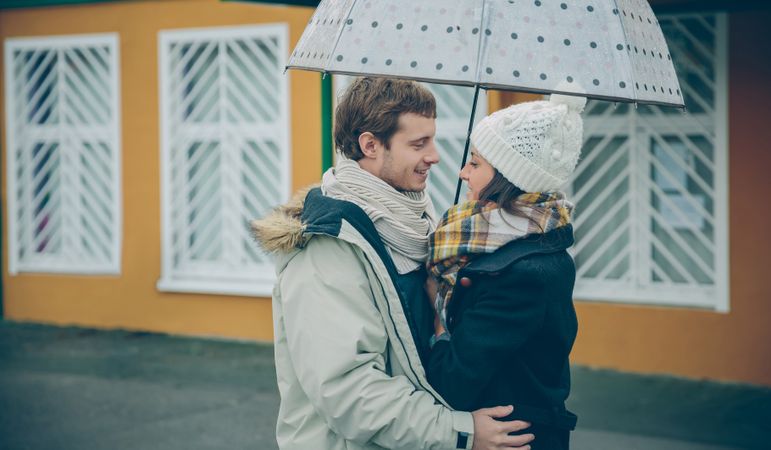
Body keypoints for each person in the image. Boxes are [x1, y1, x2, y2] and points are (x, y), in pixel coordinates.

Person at [252, 77, 534, 450]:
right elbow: (349, 393)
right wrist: (458, 432)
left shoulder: (417, 221)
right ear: (370, 145)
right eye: (418, 144)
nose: (434, 155)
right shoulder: (326, 248)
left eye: (432, 139)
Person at [424, 93, 586, 450]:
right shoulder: (537, 241)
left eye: (475, 163)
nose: (462, 172)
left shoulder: (519, 274)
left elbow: (452, 381)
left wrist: (437, 318)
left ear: (508, 178)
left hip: (508, 439)